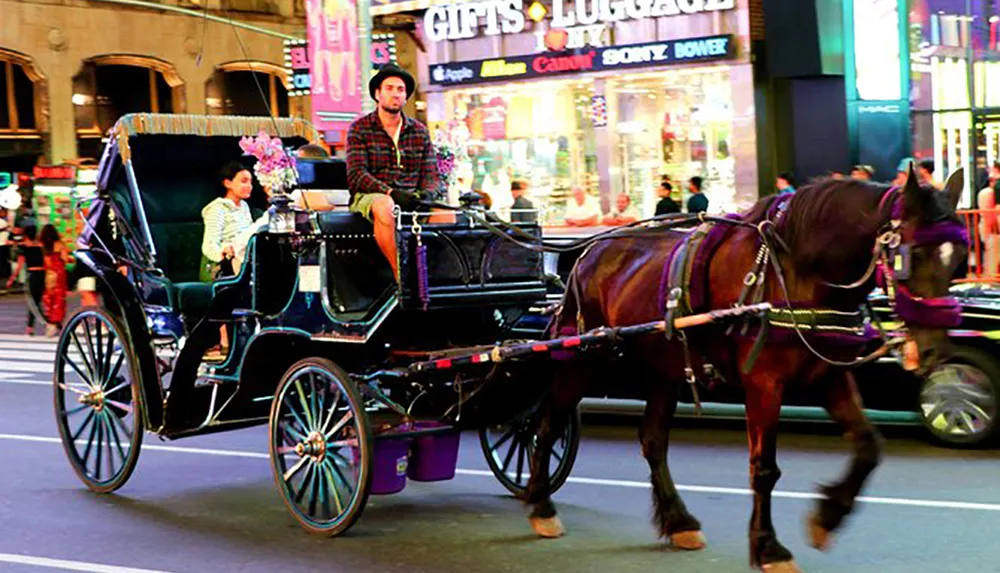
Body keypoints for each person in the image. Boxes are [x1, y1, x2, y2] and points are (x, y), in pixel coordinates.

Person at [345, 63, 439, 279]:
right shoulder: (360, 128)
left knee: (447, 214)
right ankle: (400, 275)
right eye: (389, 88)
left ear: (406, 97)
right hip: (372, 197)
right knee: (385, 206)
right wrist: (390, 193)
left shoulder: (419, 131)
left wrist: (428, 194)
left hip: (412, 195)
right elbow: (357, 175)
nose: (395, 94)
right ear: (377, 94)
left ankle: (435, 276)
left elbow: (431, 174)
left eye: (400, 89)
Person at [200, 161, 267, 283]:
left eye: (250, 182)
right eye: (243, 181)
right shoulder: (217, 209)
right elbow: (209, 246)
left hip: (247, 254)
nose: (249, 186)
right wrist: (224, 253)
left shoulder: (244, 206)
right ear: (227, 183)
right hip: (228, 262)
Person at [6, 225, 47, 336]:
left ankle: (41, 324)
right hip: (42, 274)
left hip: (32, 275)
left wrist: (12, 279)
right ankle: (36, 325)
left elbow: (19, 265)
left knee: (33, 302)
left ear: (25, 235)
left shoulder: (23, 248)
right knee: (38, 301)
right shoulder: (41, 246)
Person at [40, 224, 72, 337]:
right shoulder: (60, 245)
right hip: (60, 273)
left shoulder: (44, 246)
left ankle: (51, 323)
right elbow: (65, 259)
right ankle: (56, 322)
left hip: (49, 273)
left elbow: (46, 261)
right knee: (59, 299)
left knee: (49, 298)